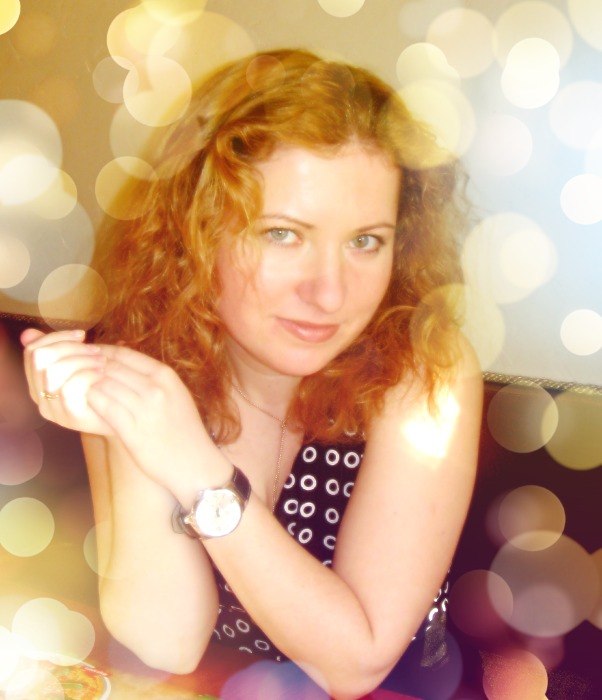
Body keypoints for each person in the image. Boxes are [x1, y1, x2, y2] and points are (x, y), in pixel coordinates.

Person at [21, 49, 482, 699]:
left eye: (365, 241)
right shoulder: (148, 351)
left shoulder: (424, 367)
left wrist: (193, 466)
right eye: (283, 235)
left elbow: (356, 664)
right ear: (198, 230)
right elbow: (167, 642)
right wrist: (135, 431)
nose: (329, 292)